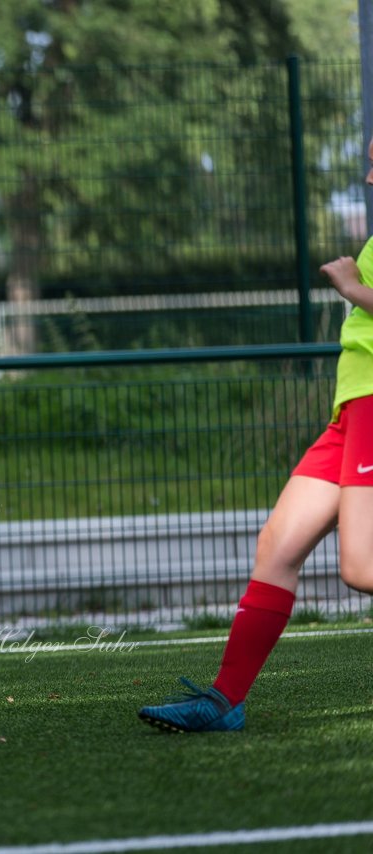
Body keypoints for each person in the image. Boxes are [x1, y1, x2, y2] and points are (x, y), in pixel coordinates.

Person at [137, 140, 373, 733]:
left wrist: (353, 290)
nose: (369, 176)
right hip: (351, 412)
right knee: (278, 546)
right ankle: (225, 700)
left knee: (363, 569)